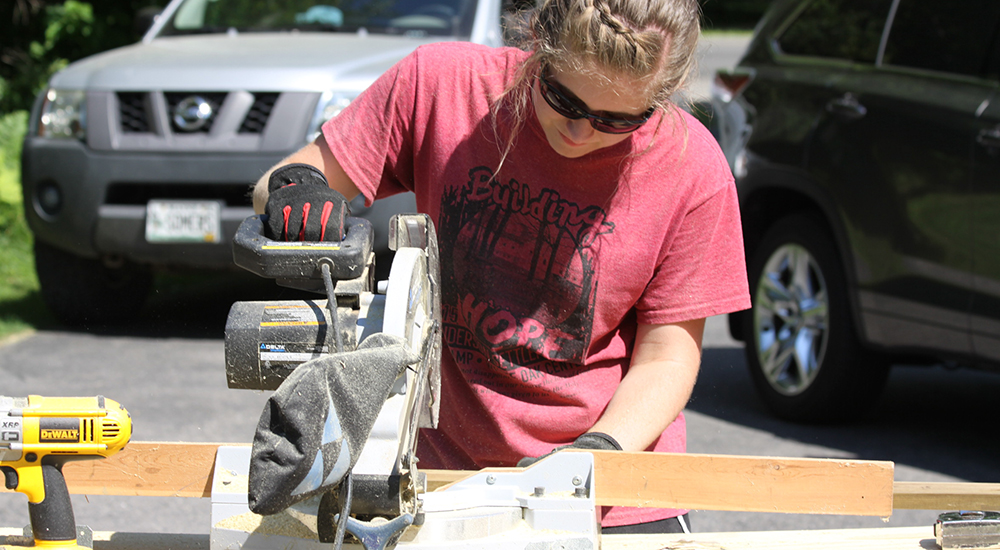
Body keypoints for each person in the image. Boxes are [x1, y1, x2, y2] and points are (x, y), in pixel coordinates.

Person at [252, 0, 750, 534]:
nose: (580, 133)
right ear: (538, 42)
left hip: (612, 493)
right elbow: (278, 182)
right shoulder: (442, 87)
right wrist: (297, 191)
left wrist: (595, 457)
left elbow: (667, 356)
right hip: (436, 484)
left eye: (617, 120)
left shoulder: (692, 168)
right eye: (563, 99)